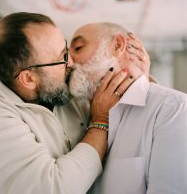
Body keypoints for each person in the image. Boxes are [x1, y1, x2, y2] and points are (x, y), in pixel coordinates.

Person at [0, 12, 147, 194]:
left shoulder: (59, 89)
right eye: (61, 58)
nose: (71, 62)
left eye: (67, 48)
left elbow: (108, 91)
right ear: (29, 78)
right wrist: (100, 122)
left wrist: (137, 74)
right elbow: (52, 188)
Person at [68, 22, 187, 194]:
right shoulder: (78, 113)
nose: (69, 62)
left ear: (117, 45)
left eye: (78, 48)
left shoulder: (174, 110)